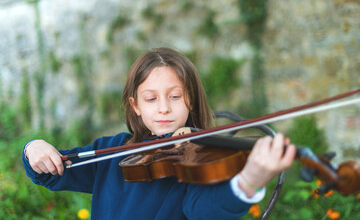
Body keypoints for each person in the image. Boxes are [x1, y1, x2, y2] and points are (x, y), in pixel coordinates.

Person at [23, 47, 296, 219]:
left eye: (175, 96)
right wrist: (34, 148)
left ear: (190, 99)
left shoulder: (199, 160)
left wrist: (249, 181)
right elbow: (49, 173)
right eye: (151, 99)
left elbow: (204, 211)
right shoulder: (113, 151)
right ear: (136, 106)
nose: (164, 108)